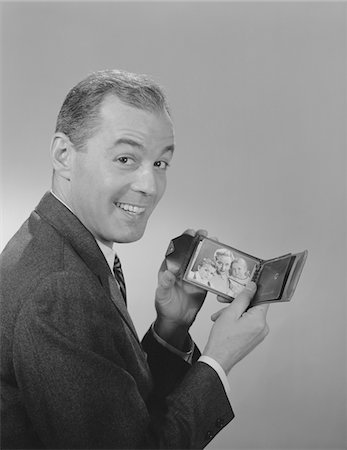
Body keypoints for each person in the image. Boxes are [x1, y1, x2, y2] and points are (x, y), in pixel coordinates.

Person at [0, 69, 269, 449]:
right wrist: (218, 359)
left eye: (161, 163)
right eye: (126, 158)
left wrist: (171, 328)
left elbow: (122, 418)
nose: (150, 185)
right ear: (63, 155)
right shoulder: (59, 290)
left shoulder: (59, 244)